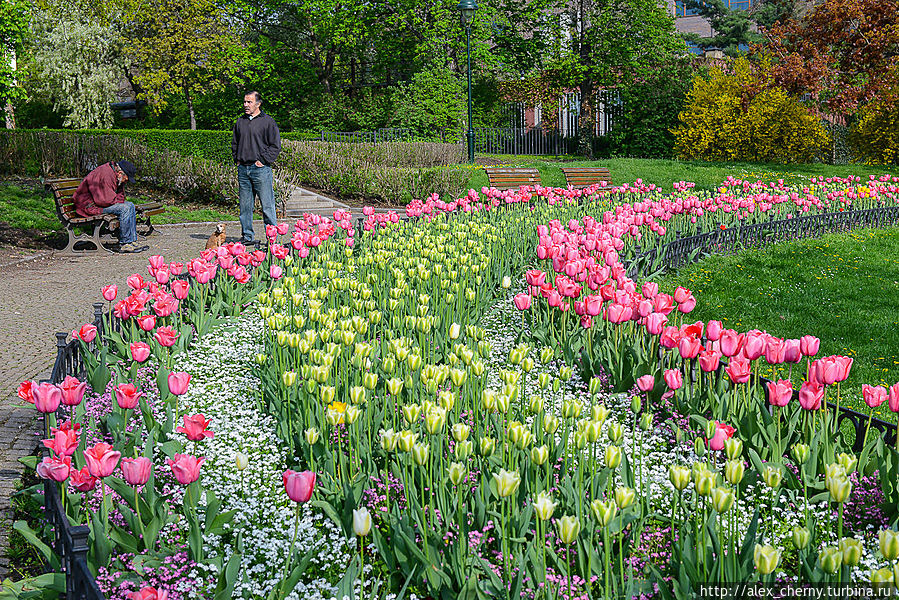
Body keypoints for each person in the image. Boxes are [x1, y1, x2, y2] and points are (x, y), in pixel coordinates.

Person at [232, 90, 281, 245]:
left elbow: (275, 146)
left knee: (267, 205)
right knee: (245, 207)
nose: (246, 105)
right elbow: (235, 143)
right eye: (245, 102)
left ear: (258, 104)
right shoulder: (240, 122)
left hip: (260, 169)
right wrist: (237, 159)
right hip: (243, 169)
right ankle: (247, 236)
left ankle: (272, 237)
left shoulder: (268, 122)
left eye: (249, 102)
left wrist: (263, 160)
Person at [72, 160, 148, 253]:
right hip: (89, 206)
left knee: (130, 205)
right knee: (125, 208)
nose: (126, 181)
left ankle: (132, 240)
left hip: (98, 203)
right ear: (120, 173)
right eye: (126, 178)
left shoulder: (115, 174)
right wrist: (119, 201)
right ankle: (125, 243)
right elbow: (103, 200)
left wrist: (119, 200)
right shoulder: (106, 175)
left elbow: (120, 195)